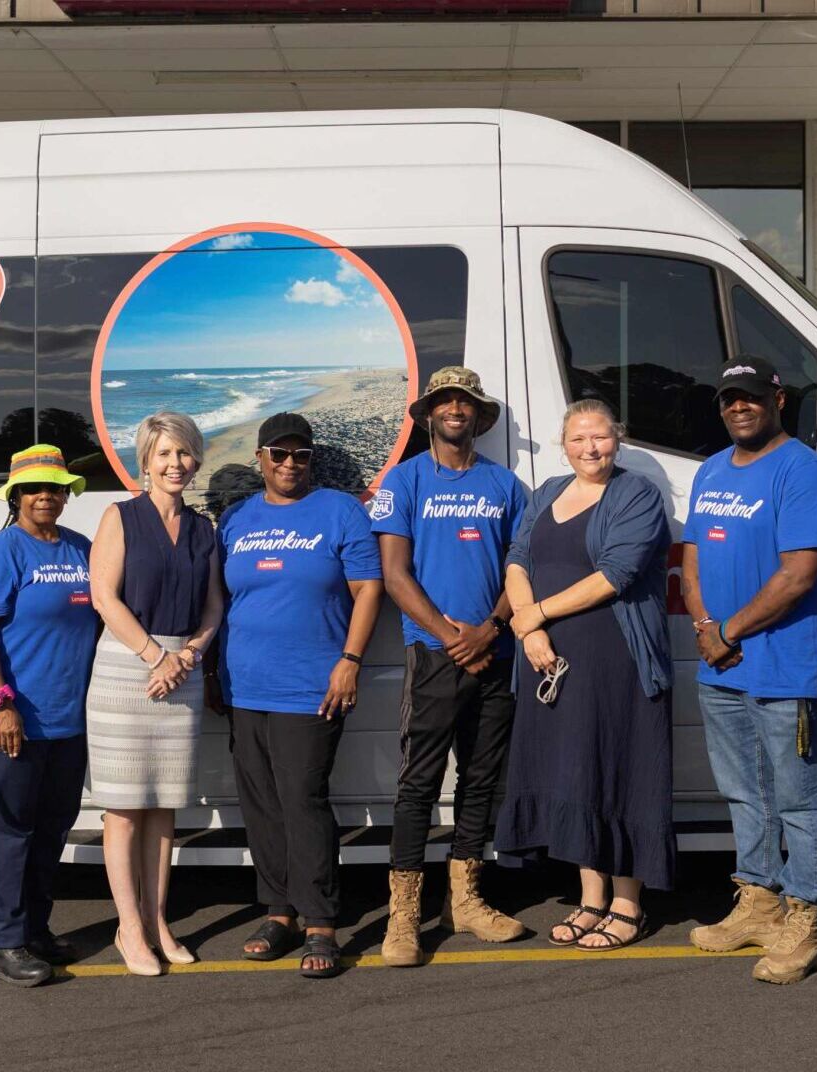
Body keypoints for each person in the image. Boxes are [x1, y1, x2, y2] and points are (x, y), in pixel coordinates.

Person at [678, 357, 817, 985]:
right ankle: (759, 901)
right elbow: (690, 557)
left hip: (785, 665)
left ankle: (805, 919)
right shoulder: (713, 469)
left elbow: (800, 573)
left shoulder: (802, 470)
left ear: (777, 399)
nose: (738, 407)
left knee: (801, 795)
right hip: (722, 667)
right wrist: (703, 628)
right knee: (744, 790)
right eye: (728, 399)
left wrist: (729, 631)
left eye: (750, 397)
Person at [497, 399, 675, 951]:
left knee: (619, 770)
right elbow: (517, 559)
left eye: (599, 437)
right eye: (578, 439)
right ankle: (590, 899)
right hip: (547, 659)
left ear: (616, 439)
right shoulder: (547, 491)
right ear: (563, 443)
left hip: (615, 657)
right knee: (574, 773)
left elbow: (615, 575)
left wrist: (537, 615)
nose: (589, 449)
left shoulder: (636, 494)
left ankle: (627, 904)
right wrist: (530, 632)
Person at [370, 366, 530, 967]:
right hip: (434, 654)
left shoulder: (506, 485)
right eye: (445, 401)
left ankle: (466, 900)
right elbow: (394, 574)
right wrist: (449, 635)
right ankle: (404, 914)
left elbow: (522, 567)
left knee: (481, 781)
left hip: (496, 649)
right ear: (430, 414)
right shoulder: (405, 480)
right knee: (417, 784)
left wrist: (490, 627)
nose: (455, 410)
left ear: (477, 415)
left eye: (465, 401)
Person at [219, 412, 383, 979]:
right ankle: (279, 911)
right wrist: (217, 674)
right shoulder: (235, 517)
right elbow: (223, 601)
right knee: (261, 805)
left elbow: (367, 590)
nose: (290, 464)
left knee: (302, 799)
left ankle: (321, 921)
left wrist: (350, 661)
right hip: (245, 684)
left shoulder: (339, 511)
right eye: (279, 454)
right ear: (260, 458)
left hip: (311, 685)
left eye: (301, 455)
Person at [86, 412, 224, 976]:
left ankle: (158, 920)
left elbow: (214, 606)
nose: (176, 464)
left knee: (164, 810)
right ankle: (130, 930)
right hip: (125, 669)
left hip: (181, 673)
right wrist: (155, 656)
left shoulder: (204, 529)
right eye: (165, 454)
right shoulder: (119, 517)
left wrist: (188, 655)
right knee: (123, 812)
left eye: (185, 454)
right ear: (145, 461)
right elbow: (103, 597)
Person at [0, 444, 97, 988]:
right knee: (5, 832)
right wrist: (3, 704)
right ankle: (5, 941)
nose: (46, 496)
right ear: (15, 497)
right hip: (7, 719)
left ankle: (35, 928)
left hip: (65, 719)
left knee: (50, 830)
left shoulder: (81, 550)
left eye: (55, 487)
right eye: (35, 488)